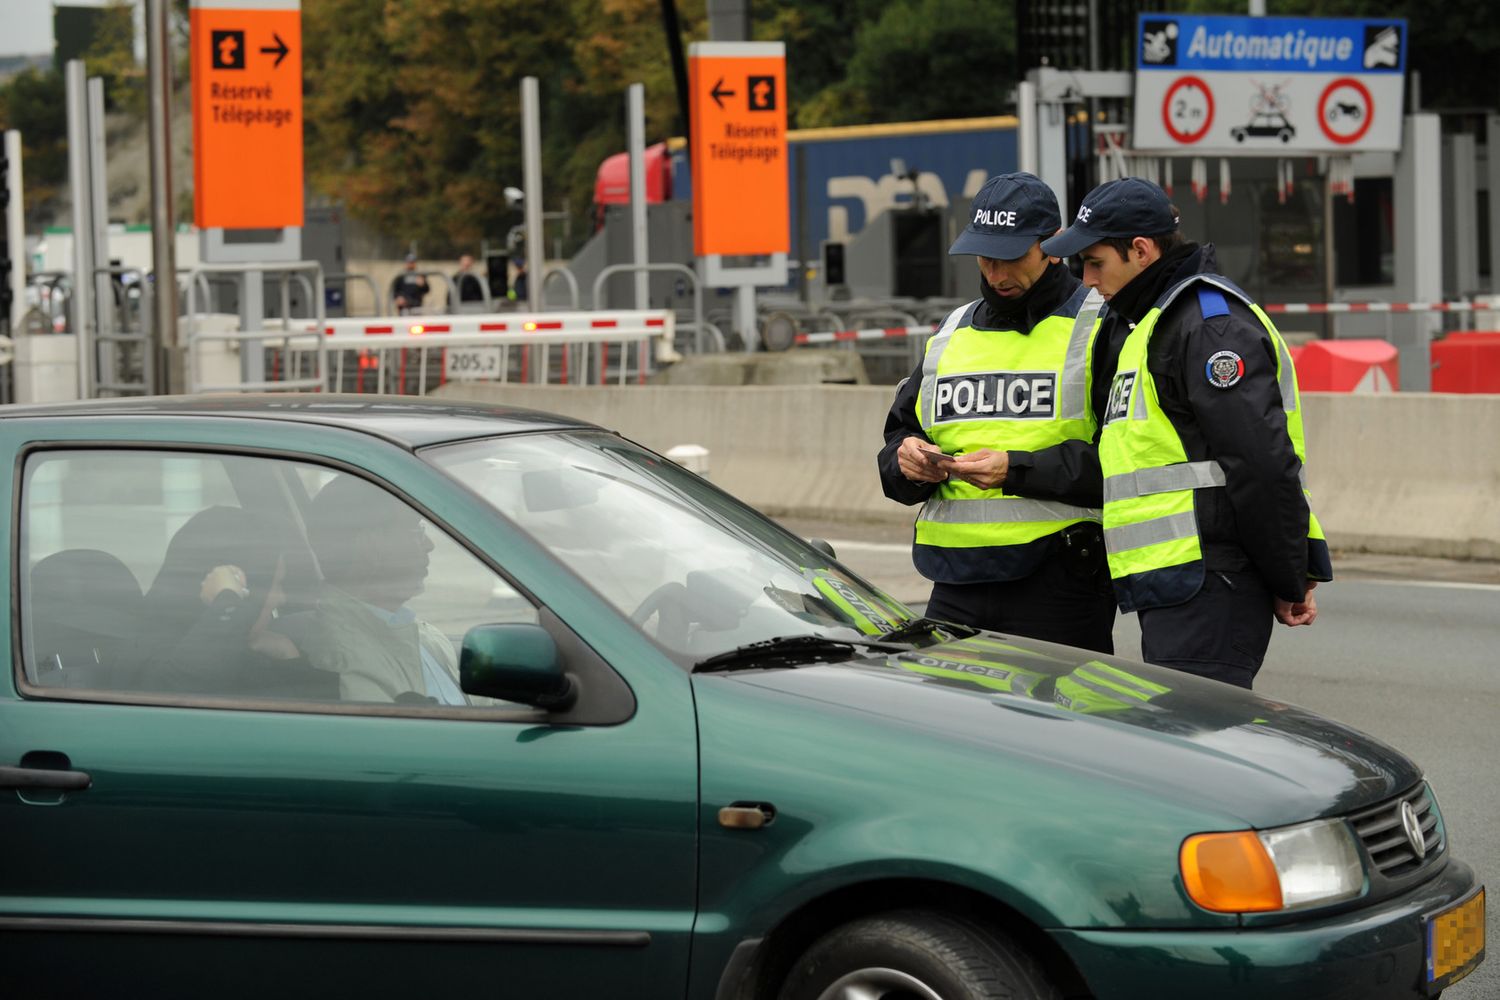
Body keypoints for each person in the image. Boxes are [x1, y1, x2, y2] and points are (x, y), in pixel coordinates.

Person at [1039, 176, 1333, 688]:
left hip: (1210, 583)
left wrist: (1289, 573)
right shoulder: (1152, 322)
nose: (1085, 279)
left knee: (1200, 750)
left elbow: (1261, 463)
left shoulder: (1207, 325)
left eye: (1094, 262)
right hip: (1180, 584)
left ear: (1141, 250)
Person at [877, 172, 1116, 653]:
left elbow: (1129, 463)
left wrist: (1017, 470)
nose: (996, 275)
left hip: (1060, 582)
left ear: (1051, 245)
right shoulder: (952, 332)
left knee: (1063, 727)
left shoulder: (1101, 325)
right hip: (955, 582)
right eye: (985, 257)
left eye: (1011, 258)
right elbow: (896, 444)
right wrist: (908, 462)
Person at [130, 506, 338, 699]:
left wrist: (287, 653)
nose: (280, 598)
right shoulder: (146, 662)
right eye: (275, 584)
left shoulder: (238, 652)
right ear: (245, 590)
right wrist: (228, 604)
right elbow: (177, 690)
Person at [302, 474, 467, 705]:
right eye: (415, 531)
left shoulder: (418, 632)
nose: (429, 545)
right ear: (369, 545)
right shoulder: (346, 658)